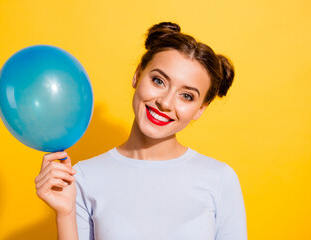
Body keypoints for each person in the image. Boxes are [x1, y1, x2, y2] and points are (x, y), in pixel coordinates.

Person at [35, 22, 247, 240]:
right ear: (137, 75)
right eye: (158, 81)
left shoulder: (220, 179)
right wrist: (65, 213)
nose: (165, 103)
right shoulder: (83, 178)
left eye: (186, 96)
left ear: (200, 109)